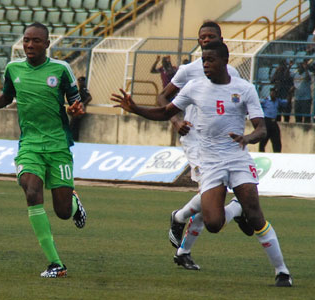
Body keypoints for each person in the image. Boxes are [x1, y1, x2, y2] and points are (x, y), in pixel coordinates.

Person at [111, 41, 292, 287]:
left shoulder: (244, 88)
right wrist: (135, 109)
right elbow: (166, 112)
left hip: (238, 158)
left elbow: (261, 129)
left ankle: (282, 271)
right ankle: (234, 209)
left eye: (211, 60)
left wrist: (247, 138)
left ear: (225, 61)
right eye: (204, 60)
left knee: (256, 214)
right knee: (214, 224)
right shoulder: (195, 87)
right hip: (210, 162)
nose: (206, 65)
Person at [0, 22, 87, 278]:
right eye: (26, 40)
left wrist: (75, 109)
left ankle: (75, 204)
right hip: (30, 144)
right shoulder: (13, 69)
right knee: (32, 191)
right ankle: (56, 264)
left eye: (35, 41)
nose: (29, 45)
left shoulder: (61, 69)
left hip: (58, 146)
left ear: (46, 44)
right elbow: (5, 98)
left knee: (63, 212)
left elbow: (76, 103)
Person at [156, 21, 250, 271]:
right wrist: (176, 121)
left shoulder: (233, 73)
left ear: (220, 39)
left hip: (221, 144)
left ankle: (179, 220)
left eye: (211, 36)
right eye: (202, 37)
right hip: (196, 140)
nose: (206, 40)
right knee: (211, 196)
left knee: (211, 198)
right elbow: (164, 97)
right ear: (198, 41)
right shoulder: (188, 70)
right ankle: (184, 243)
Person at [259, 87, 289, 152]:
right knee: (263, 140)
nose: (273, 94)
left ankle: (277, 154)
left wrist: (290, 93)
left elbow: (286, 102)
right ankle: (261, 153)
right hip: (267, 121)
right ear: (270, 93)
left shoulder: (278, 100)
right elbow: (258, 104)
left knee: (276, 141)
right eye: (272, 92)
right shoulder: (265, 101)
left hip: (273, 122)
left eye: (274, 93)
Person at [69, 76, 92, 141]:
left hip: (79, 111)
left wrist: (83, 104)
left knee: (74, 125)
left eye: (81, 81)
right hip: (76, 111)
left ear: (83, 82)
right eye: (79, 81)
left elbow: (89, 97)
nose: (79, 83)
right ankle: (73, 139)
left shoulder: (84, 89)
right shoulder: (80, 90)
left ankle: (74, 139)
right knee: (73, 125)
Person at [292, 59, 312, 123]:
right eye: (298, 67)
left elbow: (308, 78)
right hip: (297, 98)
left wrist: (306, 69)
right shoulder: (296, 74)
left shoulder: (307, 73)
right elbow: (288, 76)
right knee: (297, 116)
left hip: (306, 98)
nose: (299, 68)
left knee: (306, 116)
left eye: (301, 67)